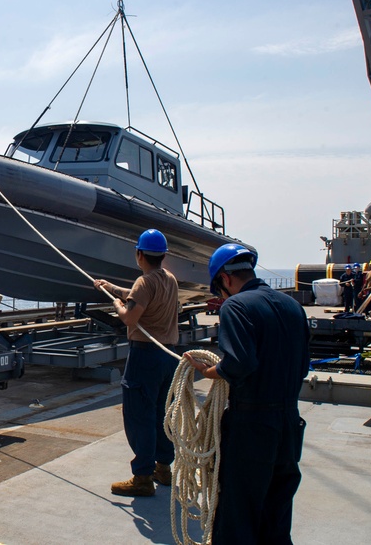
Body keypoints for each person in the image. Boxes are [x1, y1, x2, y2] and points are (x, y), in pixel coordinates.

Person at [186, 243, 310, 545]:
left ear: (225, 280)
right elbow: (303, 366)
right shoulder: (293, 306)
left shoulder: (236, 306)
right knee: (276, 517)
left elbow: (239, 364)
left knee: (238, 516)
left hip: (252, 427)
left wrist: (208, 371)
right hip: (289, 426)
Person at [93, 229, 180, 497]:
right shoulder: (169, 279)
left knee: (138, 415)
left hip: (145, 355)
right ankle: (163, 468)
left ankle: (142, 476)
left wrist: (118, 306)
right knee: (160, 414)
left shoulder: (145, 282)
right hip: (168, 356)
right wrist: (111, 287)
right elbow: (140, 294)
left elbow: (130, 318)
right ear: (163, 255)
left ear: (139, 254)